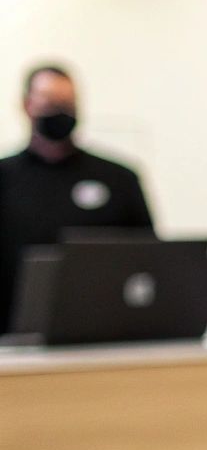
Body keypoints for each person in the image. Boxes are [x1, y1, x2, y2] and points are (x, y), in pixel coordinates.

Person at [0, 65, 154, 330]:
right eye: (50, 102)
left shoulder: (118, 178)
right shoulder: (5, 177)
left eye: (68, 103)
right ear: (27, 105)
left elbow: (149, 257)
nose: (60, 111)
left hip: (100, 330)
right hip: (13, 334)